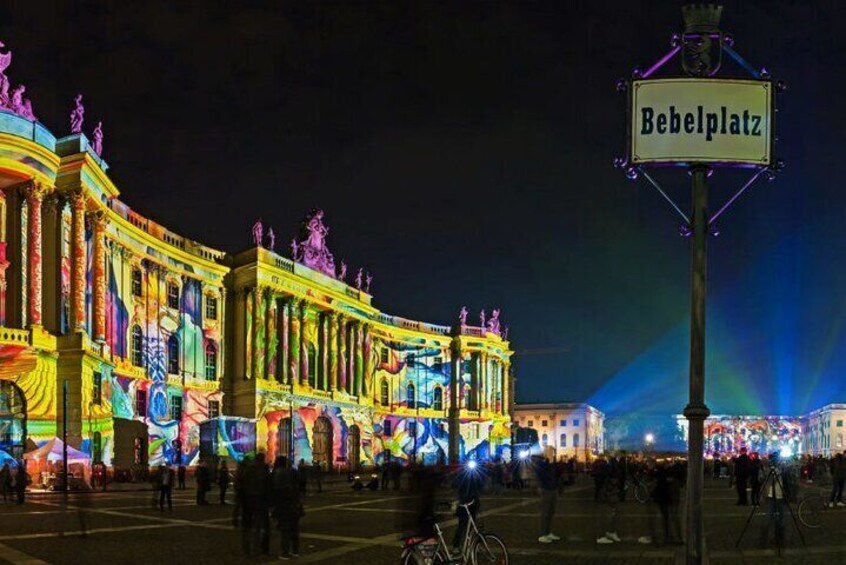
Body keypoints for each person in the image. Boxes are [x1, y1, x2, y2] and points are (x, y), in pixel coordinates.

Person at [272, 456, 302, 560]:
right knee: (294, 528)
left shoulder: (278, 473)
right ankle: (295, 550)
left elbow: (276, 490)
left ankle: (285, 551)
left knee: (285, 529)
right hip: (293, 503)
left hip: (284, 504)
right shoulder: (292, 472)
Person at [452, 461, 485, 549]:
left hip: (472, 503)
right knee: (462, 525)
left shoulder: (475, 476)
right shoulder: (461, 475)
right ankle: (456, 545)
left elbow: (481, 486)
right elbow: (455, 485)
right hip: (463, 504)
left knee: (472, 524)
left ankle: (471, 543)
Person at [247, 453, 271, 556]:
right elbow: (269, 486)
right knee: (265, 525)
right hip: (263, 500)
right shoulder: (265, 470)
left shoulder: (250, 470)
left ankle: (254, 547)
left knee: (255, 524)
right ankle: (264, 548)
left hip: (253, 499)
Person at [535, 456, 561, 544]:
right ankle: (542, 534)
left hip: (552, 488)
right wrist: (540, 486)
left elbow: (556, 474)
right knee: (545, 512)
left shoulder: (552, 464)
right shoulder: (542, 464)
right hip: (546, 489)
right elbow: (540, 475)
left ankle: (547, 532)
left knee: (551, 512)